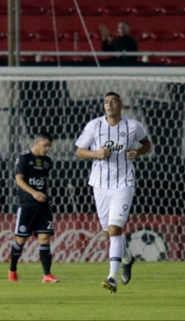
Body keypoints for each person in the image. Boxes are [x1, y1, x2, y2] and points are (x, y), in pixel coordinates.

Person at [75, 91, 151, 293]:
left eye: (113, 102)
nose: (109, 105)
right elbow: (79, 151)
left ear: (121, 105)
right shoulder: (94, 126)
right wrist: (96, 154)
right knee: (108, 232)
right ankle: (127, 258)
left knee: (115, 229)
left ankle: (111, 277)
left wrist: (137, 152)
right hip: (99, 184)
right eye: (106, 102)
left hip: (124, 182)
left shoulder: (133, 126)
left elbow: (146, 144)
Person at [8, 131, 59, 283]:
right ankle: (12, 270)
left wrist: (43, 194)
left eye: (49, 146)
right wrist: (34, 193)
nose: (47, 149)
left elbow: (44, 181)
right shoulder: (24, 158)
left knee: (45, 238)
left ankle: (47, 275)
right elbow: (19, 180)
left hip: (43, 206)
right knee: (20, 240)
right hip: (27, 205)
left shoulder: (47, 161)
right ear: (36, 143)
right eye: (45, 145)